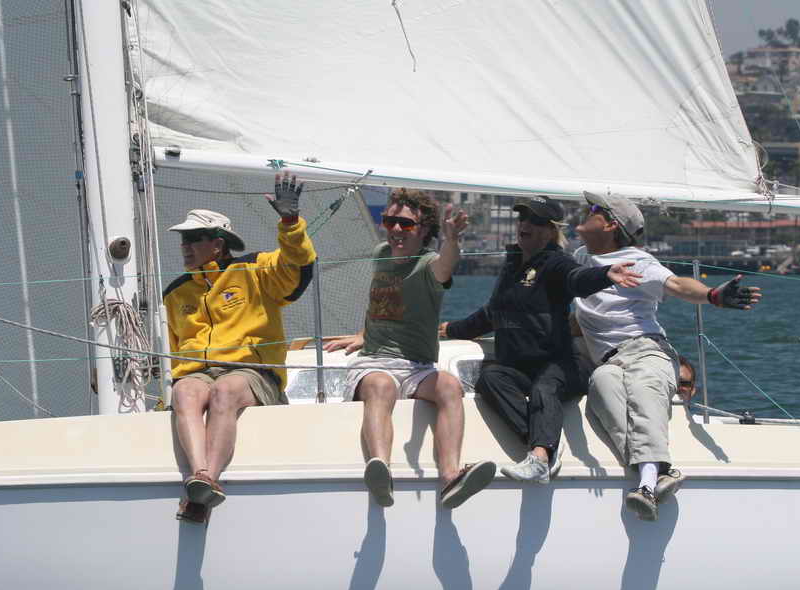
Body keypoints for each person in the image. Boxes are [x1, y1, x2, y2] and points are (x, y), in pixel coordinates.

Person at [573, 191, 760, 521]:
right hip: (607, 362)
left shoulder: (637, 262)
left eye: (594, 209)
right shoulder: (579, 259)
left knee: (643, 394)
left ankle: (645, 486)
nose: (586, 211)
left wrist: (712, 295)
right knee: (602, 388)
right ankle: (662, 472)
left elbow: (676, 285)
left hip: (646, 350)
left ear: (611, 225)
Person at [440, 196, 640, 483]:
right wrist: (452, 330)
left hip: (561, 365)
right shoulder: (513, 265)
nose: (525, 224)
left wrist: (605, 274)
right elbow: (492, 313)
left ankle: (540, 457)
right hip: (520, 368)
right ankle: (545, 449)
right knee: (490, 379)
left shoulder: (556, 263)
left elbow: (577, 278)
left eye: (535, 220)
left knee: (544, 387)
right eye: (522, 218)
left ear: (550, 230)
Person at [324, 188, 494, 510]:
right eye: (389, 222)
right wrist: (363, 333)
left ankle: (451, 477)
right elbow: (382, 300)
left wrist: (451, 239)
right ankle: (380, 470)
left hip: (417, 366)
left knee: (450, 386)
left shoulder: (428, 264)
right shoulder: (380, 254)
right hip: (375, 361)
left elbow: (445, 266)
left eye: (406, 224)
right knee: (381, 386)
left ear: (424, 229)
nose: (396, 230)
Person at [164, 175, 316, 523]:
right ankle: (200, 477)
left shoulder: (255, 269)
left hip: (252, 373)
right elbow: (174, 350)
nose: (185, 246)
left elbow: (297, 265)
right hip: (198, 373)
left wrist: (290, 222)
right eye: (184, 239)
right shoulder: (175, 293)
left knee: (225, 389)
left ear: (218, 244)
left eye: (194, 239)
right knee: (184, 391)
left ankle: (207, 479)